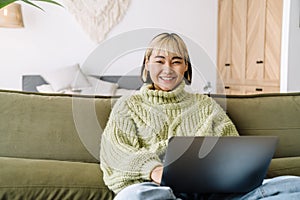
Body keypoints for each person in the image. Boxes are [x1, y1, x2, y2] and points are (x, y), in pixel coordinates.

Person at [100, 32, 300, 200]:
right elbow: (116, 153)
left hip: (211, 192)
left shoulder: (206, 106)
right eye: (159, 61)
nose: (167, 68)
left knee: (293, 186)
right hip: (157, 191)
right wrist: (154, 170)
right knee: (133, 196)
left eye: (176, 61)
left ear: (185, 67)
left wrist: (230, 175)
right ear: (147, 64)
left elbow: (232, 150)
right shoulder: (127, 105)